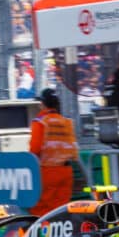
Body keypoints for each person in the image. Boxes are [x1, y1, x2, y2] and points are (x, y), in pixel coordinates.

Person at [28, 87, 79, 217]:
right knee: (61, 211)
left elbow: (34, 150)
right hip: (66, 172)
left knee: (41, 212)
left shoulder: (40, 122)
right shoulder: (66, 122)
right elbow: (73, 150)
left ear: (43, 104)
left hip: (47, 172)